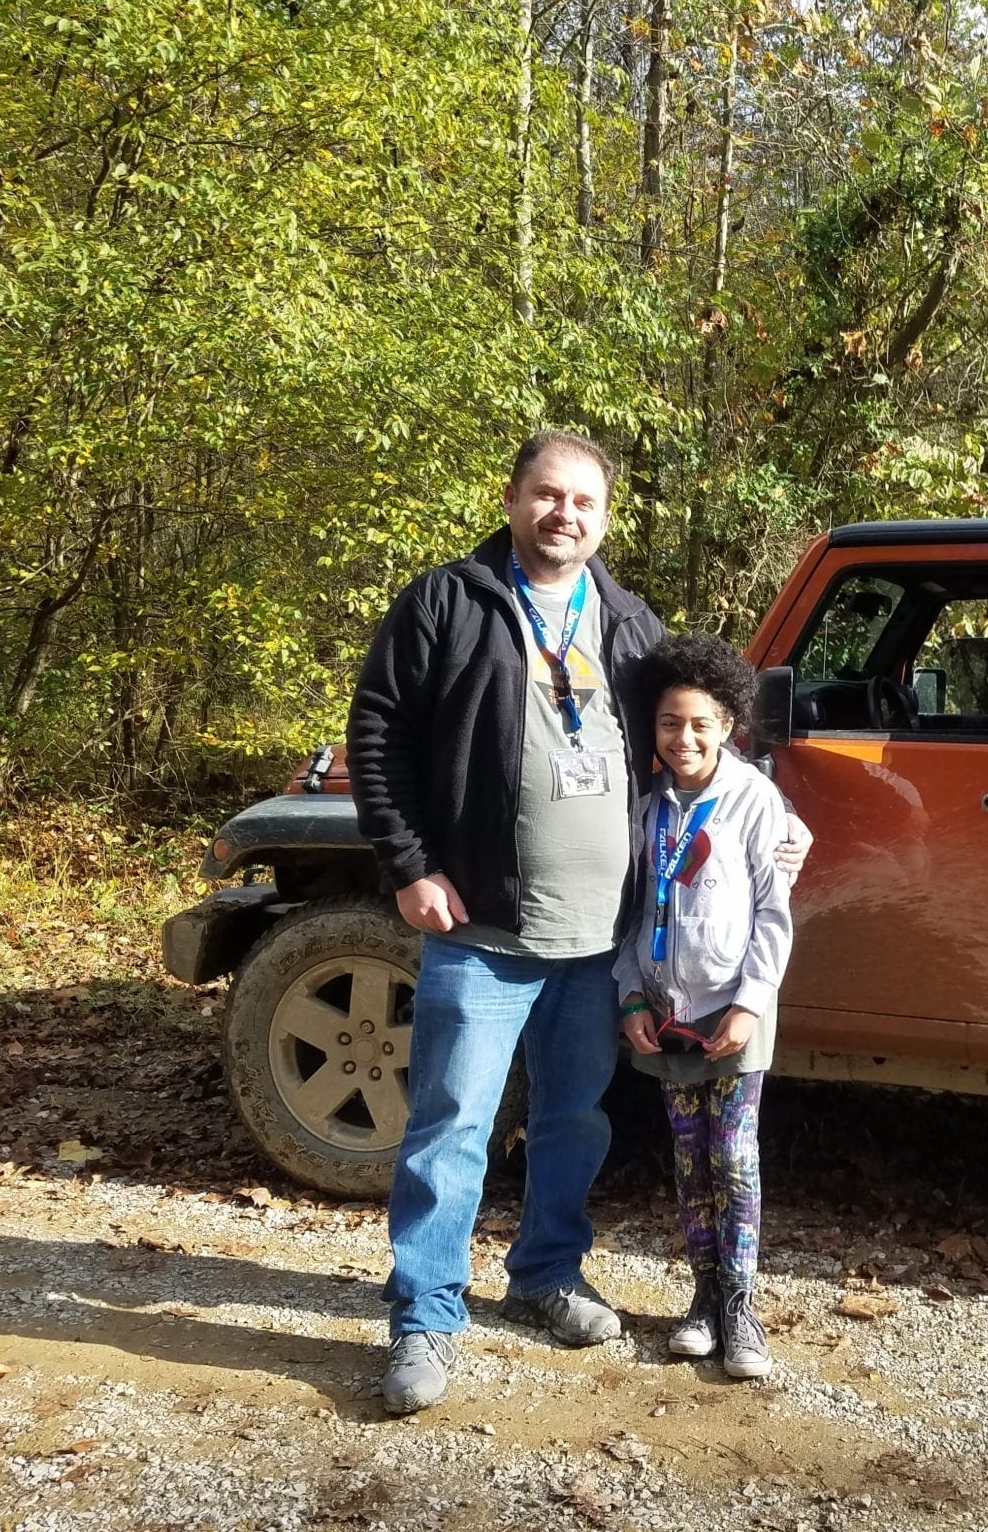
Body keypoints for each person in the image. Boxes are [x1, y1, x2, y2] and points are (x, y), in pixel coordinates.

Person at [346, 430, 808, 1414]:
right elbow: (377, 731)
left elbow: (697, 740)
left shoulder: (628, 622)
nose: (564, 514)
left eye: (583, 502)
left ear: (604, 517)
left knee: (571, 1123)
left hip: (599, 946)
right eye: (546, 496)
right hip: (480, 929)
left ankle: (546, 1275)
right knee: (449, 1129)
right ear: (512, 499)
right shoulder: (446, 602)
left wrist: (769, 819)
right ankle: (424, 1317)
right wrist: (408, 863)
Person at [614, 634, 793, 1381]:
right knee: (689, 1162)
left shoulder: (754, 802)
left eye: (698, 724)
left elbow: (775, 916)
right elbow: (627, 919)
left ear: (728, 724)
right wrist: (629, 994)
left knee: (734, 1156)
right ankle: (703, 1297)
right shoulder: (647, 810)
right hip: (668, 1015)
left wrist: (750, 1005)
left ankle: (742, 1307)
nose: (682, 739)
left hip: (733, 1017)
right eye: (667, 724)